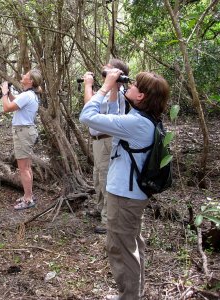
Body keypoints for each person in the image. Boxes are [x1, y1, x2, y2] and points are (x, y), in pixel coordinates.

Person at [79, 70, 170, 299]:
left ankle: (129, 296)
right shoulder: (146, 119)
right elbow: (114, 114)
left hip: (125, 196)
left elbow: (87, 117)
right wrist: (114, 89)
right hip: (132, 194)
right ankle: (133, 293)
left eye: (135, 85)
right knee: (132, 244)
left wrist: (103, 87)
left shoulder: (136, 123)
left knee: (120, 248)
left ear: (141, 97)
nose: (130, 85)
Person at [83, 59, 129, 235]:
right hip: (99, 140)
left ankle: (107, 219)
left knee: (105, 178)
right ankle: (100, 208)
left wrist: (88, 85)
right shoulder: (109, 89)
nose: (104, 67)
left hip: (107, 140)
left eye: (108, 67)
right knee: (98, 175)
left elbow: (89, 106)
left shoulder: (116, 90)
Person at [0, 69, 42, 210]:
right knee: (27, 166)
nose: (22, 76)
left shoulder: (27, 95)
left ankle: (28, 199)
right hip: (26, 131)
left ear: (30, 81)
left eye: (26, 75)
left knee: (23, 168)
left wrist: (5, 93)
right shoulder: (30, 95)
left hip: (23, 132)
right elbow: (16, 102)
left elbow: (7, 108)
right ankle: (28, 194)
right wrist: (10, 94)